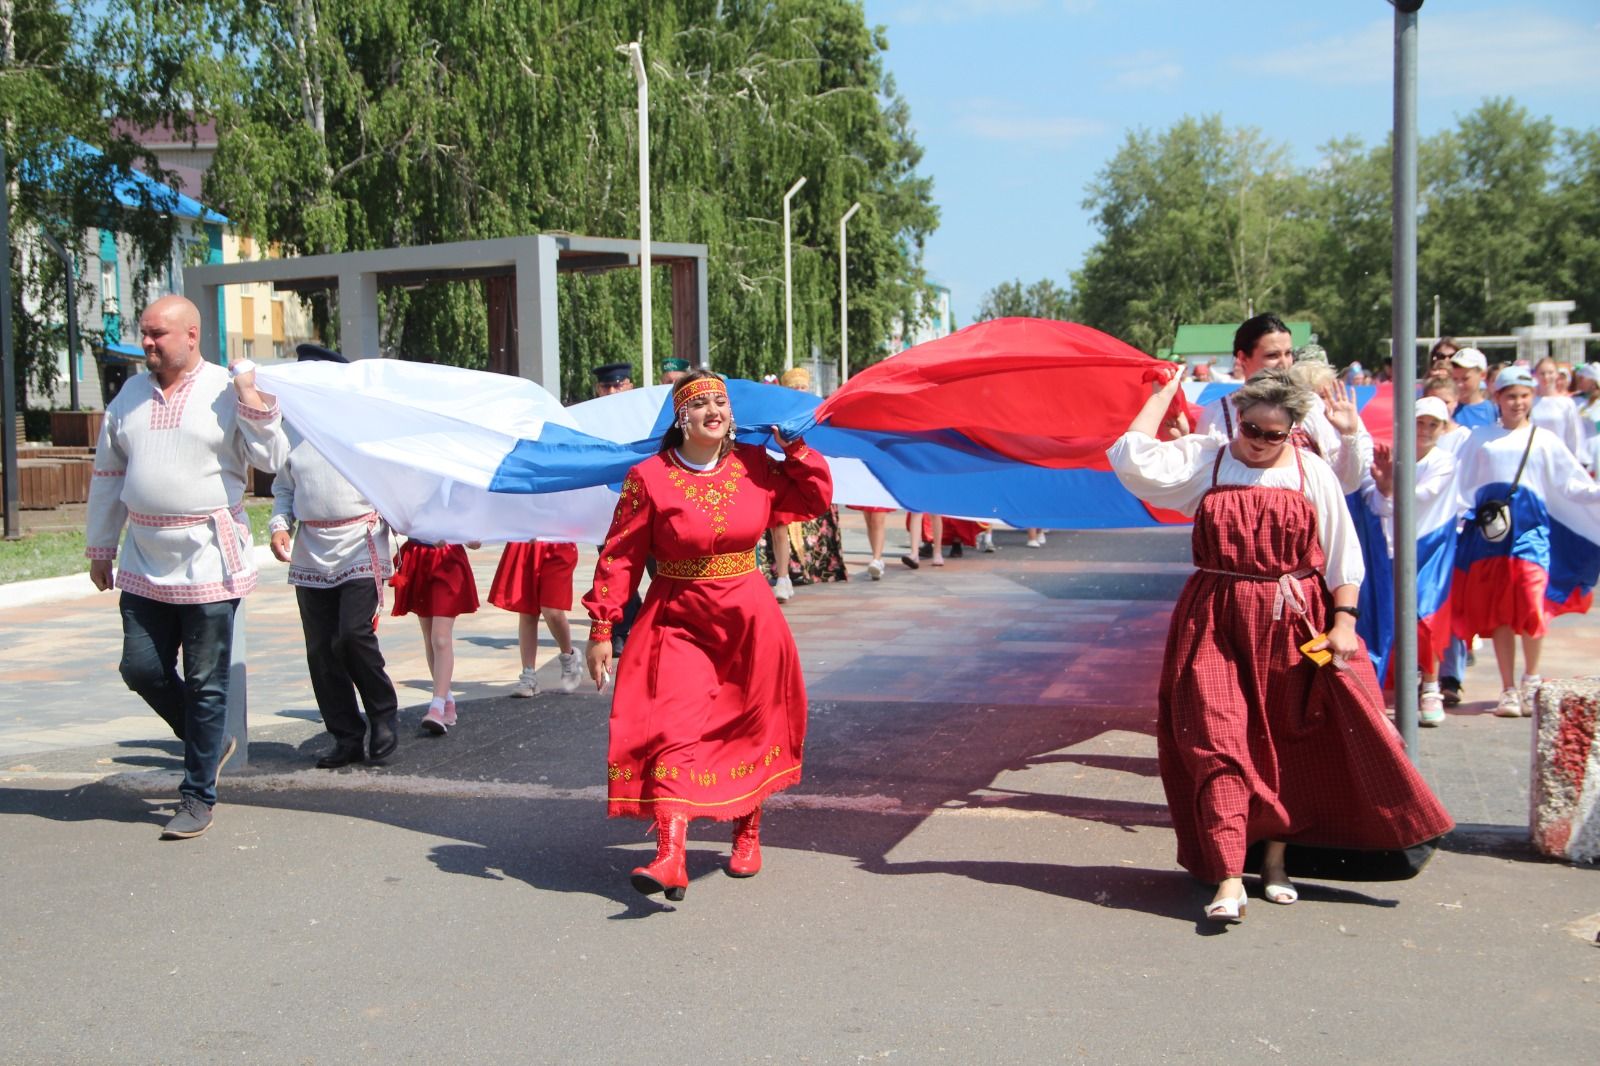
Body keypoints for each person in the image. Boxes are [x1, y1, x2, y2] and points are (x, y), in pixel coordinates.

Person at [1107, 368, 1453, 922]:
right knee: (1216, 739)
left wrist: (1343, 624)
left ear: (1292, 430)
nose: (1260, 441)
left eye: (1274, 433)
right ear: (1237, 420)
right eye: (1251, 428)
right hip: (1213, 618)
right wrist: (1161, 396)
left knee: (1283, 744)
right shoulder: (1211, 460)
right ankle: (1226, 876)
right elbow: (1129, 456)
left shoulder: (1309, 471)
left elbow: (1343, 555)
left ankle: (1273, 862)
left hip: (1291, 621)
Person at [582, 369, 832, 901]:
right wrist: (602, 625)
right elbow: (620, 555)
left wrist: (799, 450)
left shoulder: (757, 466)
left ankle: (747, 831)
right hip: (676, 620)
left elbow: (811, 500)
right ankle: (671, 853)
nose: (712, 410)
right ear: (681, 417)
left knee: (748, 725)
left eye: (720, 401)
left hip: (750, 620)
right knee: (671, 726)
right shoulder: (647, 478)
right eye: (700, 404)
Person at [85, 294, 289, 839]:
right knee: (142, 669)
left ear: (192, 335)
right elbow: (108, 473)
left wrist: (251, 397)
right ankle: (211, 742)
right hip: (144, 558)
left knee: (205, 682)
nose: (147, 343)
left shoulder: (226, 388)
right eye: (145, 333)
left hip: (207, 559)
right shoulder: (129, 393)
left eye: (159, 334)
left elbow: (272, 459)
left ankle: (198, 793)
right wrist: (101, 545)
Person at [1450, 366, 1600, 718]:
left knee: (1532, 601)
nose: (1518, 402)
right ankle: (1507, 689)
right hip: (1491, 537)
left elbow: (1569, 483)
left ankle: (1531, 677)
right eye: (1510, 396)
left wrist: (1595, 492)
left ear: (1532, 397)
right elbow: (1461, 483)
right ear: (1497, 398)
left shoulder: (1544, 439)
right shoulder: (1479, 438)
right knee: (1501, 610)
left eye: (1523, 395)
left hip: (1533, 534)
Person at [269, 430, 400, 768]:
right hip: (311, 546)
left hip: (361, 539)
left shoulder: (357, 421)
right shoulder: (290, 427)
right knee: (321, 648)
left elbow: (393, 480)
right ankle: (346, 736)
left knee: (353, 634)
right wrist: (280, 524)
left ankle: (383, 715)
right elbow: (284, 486)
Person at [1362, 397, 1460, 727]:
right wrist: (1382, 487)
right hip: (1395, 546)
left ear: (1443, 429)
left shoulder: (1444, 461)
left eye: (1434, 424)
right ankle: (1403, 685)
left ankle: (1431, 686)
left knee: (1426, 614)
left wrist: (1388, 487)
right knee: (1394, 615)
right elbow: (1377, 500)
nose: (1426, 430)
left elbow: (1422, 496)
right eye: (1421, 423)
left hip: (1433, 546)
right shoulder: (1395, 458)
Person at [1194, 314, 1372, 494]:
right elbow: (1201, 483)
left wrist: (1349, 435)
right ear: (1242, 358)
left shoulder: (1310, 406)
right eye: (1272, 355)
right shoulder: (1219, 413)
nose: (1284, 363)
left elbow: (1345, 483)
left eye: (1288, 353)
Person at [764, 366, 846, 600]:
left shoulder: (816, 412)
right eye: (794, 387)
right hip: (781, 472)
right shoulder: (776, 412)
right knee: (778, 527)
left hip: (805, 474)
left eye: (803, 387)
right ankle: (782, 576)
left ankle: (801, 572)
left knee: (815, 527)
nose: (799, 391)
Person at [390, 537, 480, 735]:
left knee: (440, 637)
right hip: (419, 556)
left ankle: (437, 706)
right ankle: (446, 700)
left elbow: (474, 537)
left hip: (448, 560)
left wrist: (469, 534)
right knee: (430, 636)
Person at [591, 361, 644, 654]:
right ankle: (623, 629)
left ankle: (656, 622)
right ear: (598, 390)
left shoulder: (641, 417)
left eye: (618, 384)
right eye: (606, 386)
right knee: (615, 569)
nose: (612, 391)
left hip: (644, 504)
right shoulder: (591, 422)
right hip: (609, 508)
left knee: (658, 567)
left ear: (629, 386)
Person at [489, 539, 583, 697]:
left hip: (558, 542)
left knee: (552, 610)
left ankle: (569, 656)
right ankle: (528, 675)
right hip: (525, 543)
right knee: (527, 611)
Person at [1531, 356, 1588, 459]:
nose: (1546, 377)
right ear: (1536, 375)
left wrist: (1577, 458)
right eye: (1542, 373)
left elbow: (1575, 435)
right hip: (1535, 456)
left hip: (1560, 457)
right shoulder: (1530, 402)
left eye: (1550, 373)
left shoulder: (1566, 403)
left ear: (1557, 374)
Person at [1448, 348, 1498, 429]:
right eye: (1455, 379)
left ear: (1482, 375)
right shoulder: (1446, 409)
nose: (1459, 384)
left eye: (1465, 379)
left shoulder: (1493, 412)